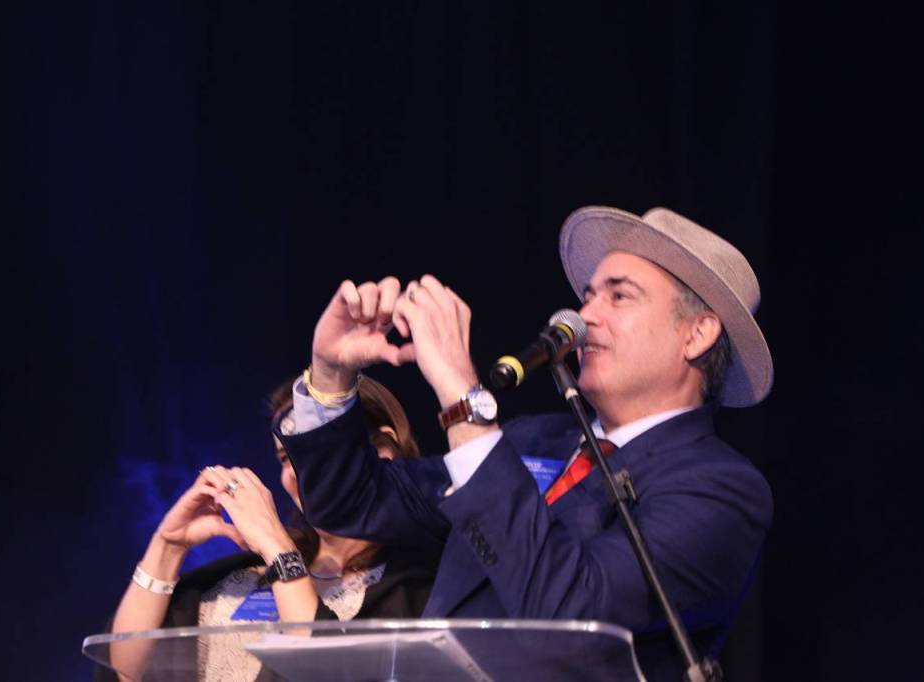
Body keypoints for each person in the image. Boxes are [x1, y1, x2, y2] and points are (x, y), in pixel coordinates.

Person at [276, 205, 774, 681]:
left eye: (619, 296)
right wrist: (330, 375)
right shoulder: (530, 439)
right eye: (587, 295)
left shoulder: (721, 489)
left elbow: (571, 612)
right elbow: (350, 502)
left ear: (697, 334)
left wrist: (463, 400)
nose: (582, 316)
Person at [101, 376, 437, 682]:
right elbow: (125, 672)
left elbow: (327, 673)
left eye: (314, 451)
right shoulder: (240, 577)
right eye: (286, 458)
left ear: (381, 450)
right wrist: (167, 547)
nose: (296, 471)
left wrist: (278, 548)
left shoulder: (425, 585)